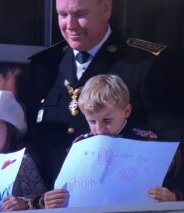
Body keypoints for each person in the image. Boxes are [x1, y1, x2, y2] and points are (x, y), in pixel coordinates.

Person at [28, 0, 183, 189]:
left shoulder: (146, 64)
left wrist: (174, 195)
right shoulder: (45, 65)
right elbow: (32, 143)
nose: (70, 25)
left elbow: (173, 144)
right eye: (62, 14)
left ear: (106, 8)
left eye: (80, 13)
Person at [30, 74, 183, 209]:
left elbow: (175, 186)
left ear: (127, 111)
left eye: (107, 120)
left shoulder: (149, 143)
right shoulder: (80, 146)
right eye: (92, 121)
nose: (100, 128)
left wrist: (173, 198)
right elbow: (68, 189)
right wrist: (47, 201)